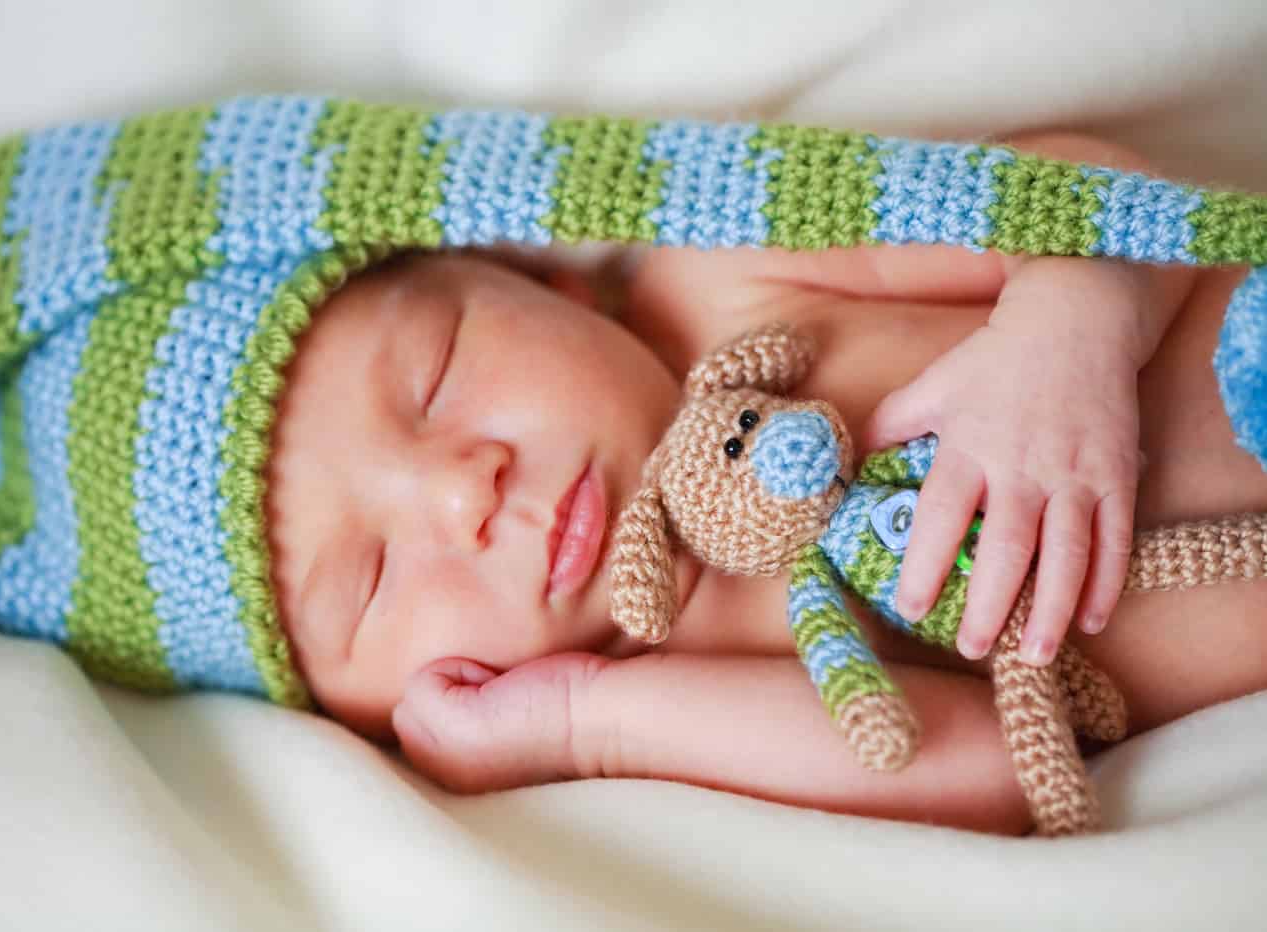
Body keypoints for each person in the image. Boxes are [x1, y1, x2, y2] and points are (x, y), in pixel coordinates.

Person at [265, 133, 1267, 834]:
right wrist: (588, 723)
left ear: (537, 277)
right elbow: (987, 768)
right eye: (373, 576)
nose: (462, 493)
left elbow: (1085, 181)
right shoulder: (675, 698)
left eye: (434, 372)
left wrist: (1070, 332)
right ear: (367, 718)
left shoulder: (727, 274)